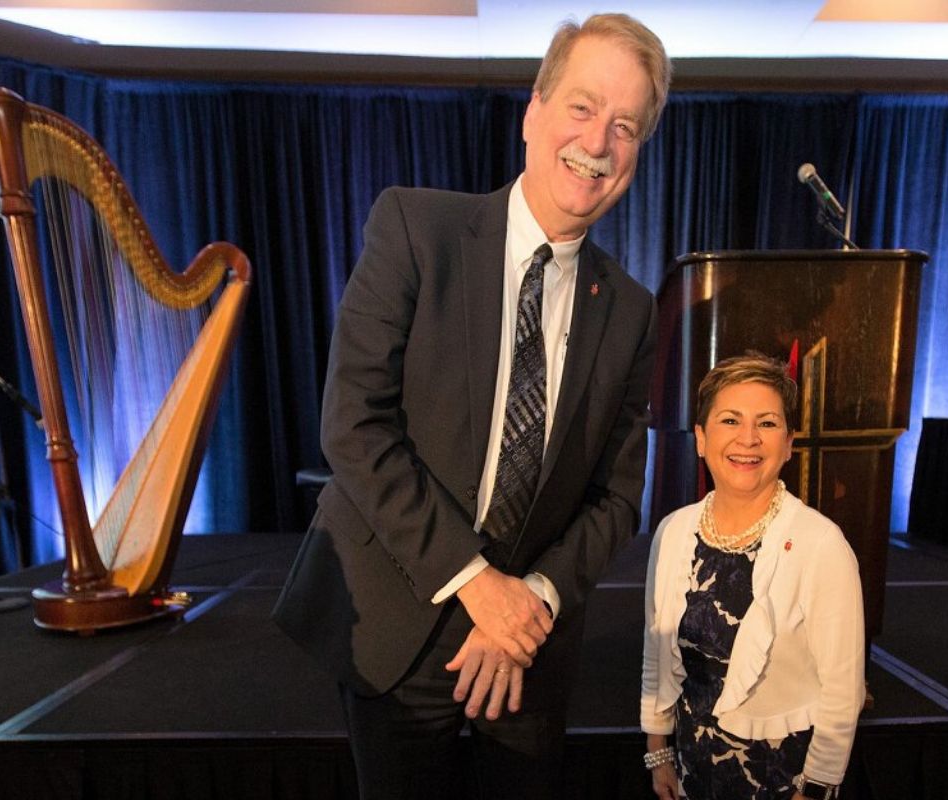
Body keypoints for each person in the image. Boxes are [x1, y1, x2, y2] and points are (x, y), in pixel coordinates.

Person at [273, 12, 672, 800]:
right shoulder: (416, 229)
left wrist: (530, 600)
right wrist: (476, 583)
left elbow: (619, 497)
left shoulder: (630, 309)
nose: (598, 141)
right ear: (535, 110)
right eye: (583, 107)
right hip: (398, 618)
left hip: (529, 642)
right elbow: (353, 425)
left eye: (625, 125)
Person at [641, 352, 866, 800]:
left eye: (766, 423)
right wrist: (658, 751)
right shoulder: (673, 531)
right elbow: (656, 650)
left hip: (783, 778)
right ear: (701, 439)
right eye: (729, 421)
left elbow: (844, 689)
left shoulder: (820, 544)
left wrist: (817, 789)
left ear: (788, 443)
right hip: (692, 767)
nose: (747, 439)